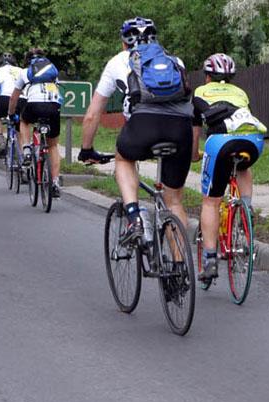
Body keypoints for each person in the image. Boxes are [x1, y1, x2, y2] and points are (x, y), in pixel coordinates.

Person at [78, 17, 193, 243]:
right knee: (174, 202)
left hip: (143, 127)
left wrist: (87, 149)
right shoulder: (174, 60)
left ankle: (134, 218)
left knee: (123, 158)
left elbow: (93, 114)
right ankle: (180, 263)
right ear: (155, 39)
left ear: (124, 43)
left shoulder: (118, 61)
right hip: (180, 130)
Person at [192, 53, 266, 284]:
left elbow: (195, 129)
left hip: (221, 142)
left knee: (211, 202)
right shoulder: (240, 93)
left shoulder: (200, 92)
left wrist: (194, 155)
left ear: (207, 76)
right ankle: (246, 208)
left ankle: (210, 259)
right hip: (254, 141)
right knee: (243, 166)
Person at [9, 48, 62, 197]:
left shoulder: (25, 72)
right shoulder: (52, 70)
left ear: (28, 61)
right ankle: (55, 182)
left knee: (24, 121)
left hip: (34, 104)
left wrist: (11, 114)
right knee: (53, 146)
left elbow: (14, 98)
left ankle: (26, 149)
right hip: (53, 106)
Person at [0, 52, 26, 159]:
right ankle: (24, 155)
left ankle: (1, 140)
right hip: (22, 98)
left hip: (5, 98)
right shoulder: (21, 70)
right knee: (20, 124)